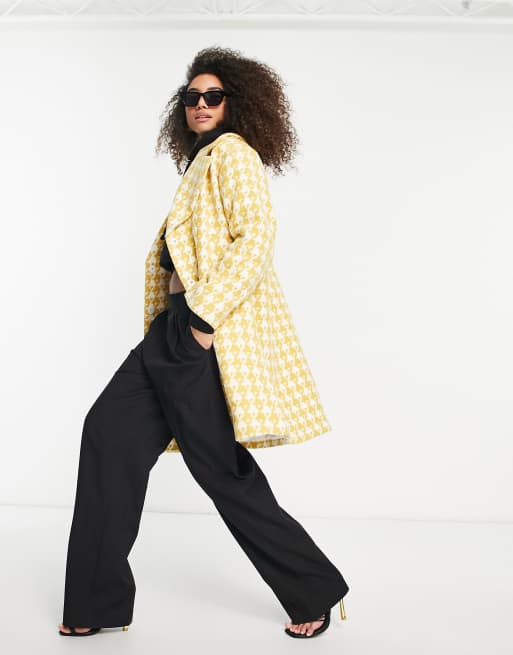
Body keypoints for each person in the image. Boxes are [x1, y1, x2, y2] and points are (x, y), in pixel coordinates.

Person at [58, 45, 349, 640]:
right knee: (108, 433)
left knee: (221, 471)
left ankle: (314, 590)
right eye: (191, 97)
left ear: (235, 103)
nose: (200, 104)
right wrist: (180, 324)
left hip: (195, 333)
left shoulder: (234, 154)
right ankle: (95, 604)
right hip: (169, 333)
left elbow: (256, 238)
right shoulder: (200, 162)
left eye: (212, 96)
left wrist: (202, 321)